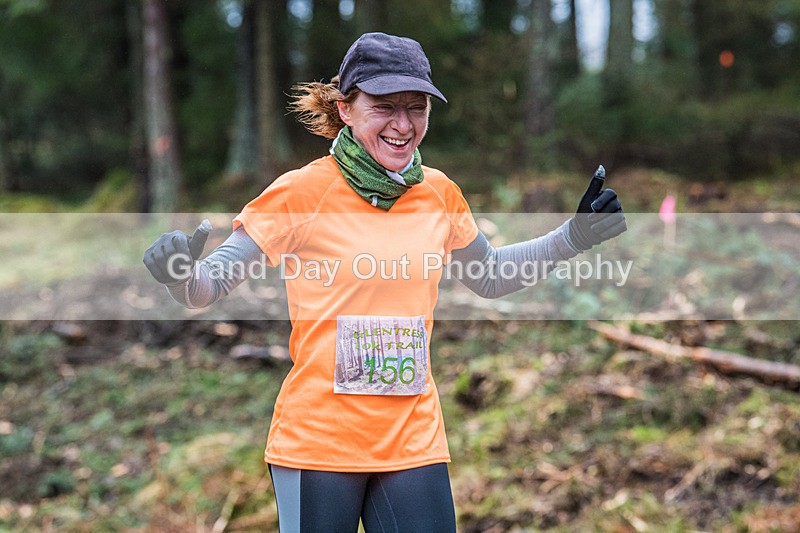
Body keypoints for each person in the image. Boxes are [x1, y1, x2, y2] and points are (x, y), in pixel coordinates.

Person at [143, 32, 626, 532]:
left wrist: (575, 235)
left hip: (412, 437)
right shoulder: (301, 192)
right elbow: (208, 286)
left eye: (416, 108)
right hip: (320, 441)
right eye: (384, 107)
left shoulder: (438, 193)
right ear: (346, 108)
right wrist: (180, 276)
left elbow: (491, 275)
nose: (403, 125)